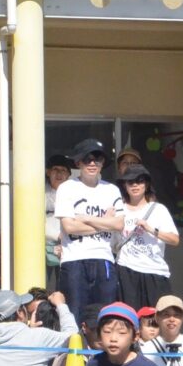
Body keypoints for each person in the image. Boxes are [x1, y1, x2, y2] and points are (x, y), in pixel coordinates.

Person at [56, 139, 125, 325]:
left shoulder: (111, 189)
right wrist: (105, 222)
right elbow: (69, 227)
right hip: (74, 260)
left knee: (107, 316)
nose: (92, 163)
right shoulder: (67, 188)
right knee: (76, 314)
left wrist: (85, 218)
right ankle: (78, 354)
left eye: (97, 159)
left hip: (104, 259)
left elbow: (119, 224)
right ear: (78, 162)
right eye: (87, 159)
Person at [116, 164, 179, 309]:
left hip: (154, 270)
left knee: (157, 319)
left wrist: (150, 229)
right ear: (124, 185)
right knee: (130, 319)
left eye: (140, 180)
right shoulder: (120, 209)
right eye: (130, 181)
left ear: (147, 184)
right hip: (126, 269)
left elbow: (175, 240)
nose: (135, 185)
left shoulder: (158, 209)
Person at [45, 154, 73, 290]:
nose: (59, 174)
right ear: (48, 171)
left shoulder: (75, 193)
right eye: (55, 169)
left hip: (70, 246)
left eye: (63, 170)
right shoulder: (38, 192)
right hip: (43, 248)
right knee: (48, 290)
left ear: (68, 174)